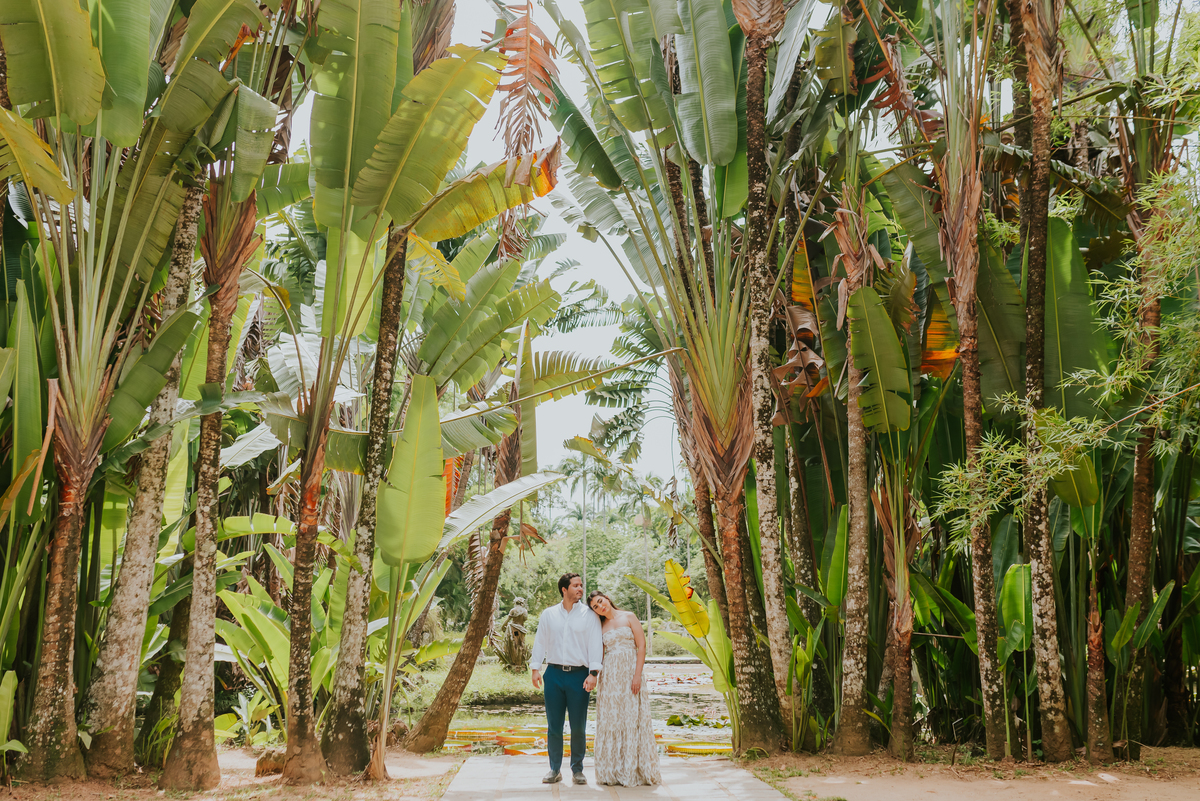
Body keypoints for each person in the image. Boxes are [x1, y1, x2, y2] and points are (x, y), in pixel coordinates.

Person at [529, 573, 603, 785]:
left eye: (581, 585)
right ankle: (554, 769)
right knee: (554, 726)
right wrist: (536, 668)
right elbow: (540, 642)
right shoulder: (548, 614)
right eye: (576, 585)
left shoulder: (589, 615)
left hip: (580, 675)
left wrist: (593, 673)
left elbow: (595, 644)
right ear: (564, 589)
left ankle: (577, 769)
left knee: (578, 726)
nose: (580, 589)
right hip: (553, 674)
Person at [587, 590, 661, 786]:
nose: (600, 607)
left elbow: (641, 646)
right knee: (612, 719)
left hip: (630, 673)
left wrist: (637, 675)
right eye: (595, 606)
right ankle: (612, 771)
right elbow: (599, 655)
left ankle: (632, 769)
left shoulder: (629, 616)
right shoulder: (600, 626)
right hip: (610, 678)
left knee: (631, 718)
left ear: (608, 598)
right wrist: (593, 675)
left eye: (600, 601)